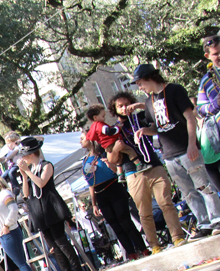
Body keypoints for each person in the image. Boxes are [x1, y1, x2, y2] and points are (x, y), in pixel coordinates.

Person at [131, 63, 220, 235]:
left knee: (203, 186)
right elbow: (158, 126)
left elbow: (190, 118)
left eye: (141, 82)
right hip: (169, 154)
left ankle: (216, 218)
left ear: (150, 78)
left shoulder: (175, 90)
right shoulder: (149, 102)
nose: (140, 87)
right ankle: (204, 223)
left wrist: (192, 144)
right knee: (187, 192)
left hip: (186, 148)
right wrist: (144, 131)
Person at [107, 92, 188, 251]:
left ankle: (177, 237)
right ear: (114, 109)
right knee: (144, 212)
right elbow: (112, 159)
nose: (124, 108)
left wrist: (138, 106)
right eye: (120, 106)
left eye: (127, 104)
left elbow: (158, 115)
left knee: (166, 202)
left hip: (153, 164)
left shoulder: (142, 117)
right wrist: (116, 149)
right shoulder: (113, 129)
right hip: (133, 172)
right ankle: (154, 245)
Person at [16, 137, 86, 271]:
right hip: (38, 210)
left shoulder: (46, 165)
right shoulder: (30, 172)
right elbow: (26, 194)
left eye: (24, 155)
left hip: (51, 207)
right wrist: (24, 175)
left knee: (61, 241)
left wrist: (28, 171)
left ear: (31, 154)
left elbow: (41, 183)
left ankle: (77, 269)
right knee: (53, 245)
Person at [79, 135, 148, 260]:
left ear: (90, 138)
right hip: (100, 193)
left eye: (83, 138)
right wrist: (94, 203)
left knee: (125, 221)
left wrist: (109, 165)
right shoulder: (85, 160)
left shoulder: (104, 153)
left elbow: (118, 170)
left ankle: (143, 248)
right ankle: (131, 253)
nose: (80, 140)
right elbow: (90, 183)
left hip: (113, 187)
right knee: (115, 225)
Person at [84, 104, 145, 174]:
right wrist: (118, 127)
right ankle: (139, 165)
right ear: (95, 117)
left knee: (120, 158)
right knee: (130, 151)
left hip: (107, 146)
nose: (104, 118)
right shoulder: (99, 125)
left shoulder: (93, 127)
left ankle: (121, 174)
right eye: (103, 116)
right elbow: (109, 131)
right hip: (112, 143)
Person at [197, 34, 220, 194]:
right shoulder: (206, 80)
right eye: (216, 53)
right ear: (208, 56)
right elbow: (201, 109)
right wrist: (216, 104)